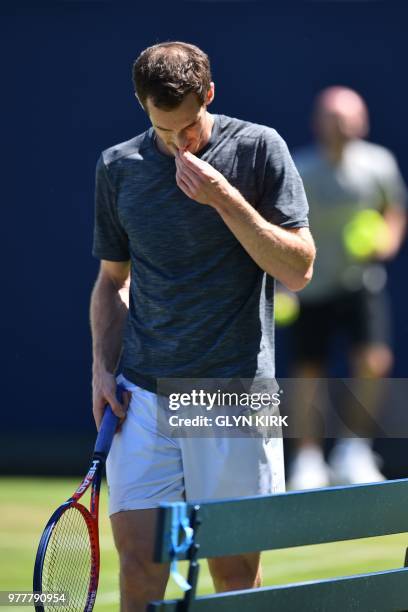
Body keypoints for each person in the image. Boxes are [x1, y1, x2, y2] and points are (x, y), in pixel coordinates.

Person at [90, 41, 315, 611]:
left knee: (234, 576)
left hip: (231, 394)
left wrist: (223, 198)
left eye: (189, 126)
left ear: (209, 95)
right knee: (140, 567)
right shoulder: (118, 167)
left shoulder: (261, 149)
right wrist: (101, 365)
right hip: (141, 393)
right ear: (142, 106)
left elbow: (299, 268)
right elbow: (113, 279)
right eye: (165, 130)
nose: (179, 142)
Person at [287, 86, 407, 490]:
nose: (344, 124)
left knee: (374, 361)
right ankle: (307, 460)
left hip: (361, 283)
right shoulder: (301, 169)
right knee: (309, 373)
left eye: (351, 116)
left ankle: (353, 450)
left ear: (363, 121)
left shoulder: (379, 164)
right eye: (335, 116)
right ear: (319, 123)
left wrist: (387, 240)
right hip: (311, 287)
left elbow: (394, 210)